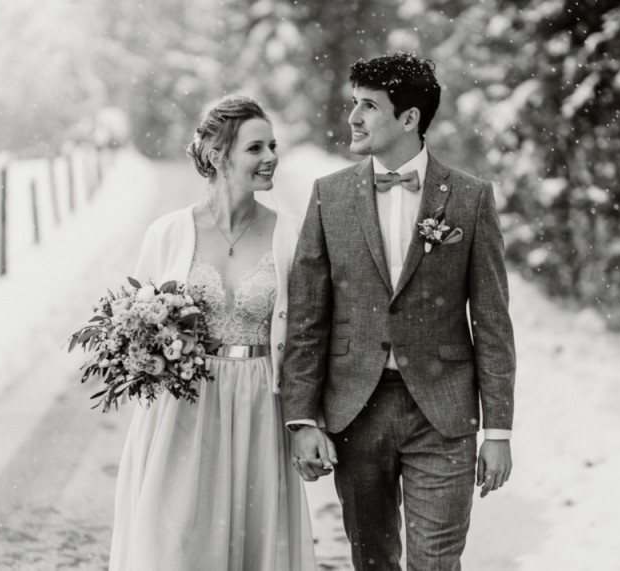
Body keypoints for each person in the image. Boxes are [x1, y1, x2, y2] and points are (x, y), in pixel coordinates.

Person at [281, 52, 516, 570]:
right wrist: (302, 417)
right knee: (373, 561)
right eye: (353, 104)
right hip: (355, 411)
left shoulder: (471, 199)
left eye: (368, 105)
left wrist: (497, 431)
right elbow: (307, 316)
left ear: (409, 118)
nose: (353, 118)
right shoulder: (329, 196)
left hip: (444, 413)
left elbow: (494, 321)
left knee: (435, 563)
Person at [109, 94, 317, 571]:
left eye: (273, 146)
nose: (271, 159)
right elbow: (135, 325)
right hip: (182, 409)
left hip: (260, 403)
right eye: (256, 149)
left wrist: (306, 420)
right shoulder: (167, 233)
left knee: (254, 542)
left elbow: (308, 336)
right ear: (218, 156)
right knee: (176, 544)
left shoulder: (292, 234)